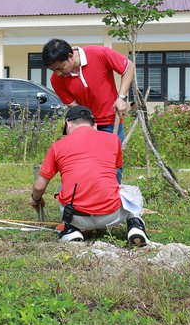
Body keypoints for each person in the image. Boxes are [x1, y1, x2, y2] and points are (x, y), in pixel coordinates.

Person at [29, 105, 150, 246]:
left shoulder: (57, 146)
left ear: (68, 124)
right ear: (95, 125)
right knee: (132, 191)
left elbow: (39, 186)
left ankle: (71, 230)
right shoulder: (113, 140)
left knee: (63, 188)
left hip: (76, 216)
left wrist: (35, 199)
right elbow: (115, 173)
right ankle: (135, 224)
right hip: (111, 215)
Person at [42, 38, 135, 183]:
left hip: (110, 121)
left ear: (71, 56)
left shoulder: (99, 54)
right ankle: (89, 200)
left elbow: (128, 67)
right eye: (53, 70)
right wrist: (89, 124)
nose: (58, 73)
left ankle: (112, 199)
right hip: (86, 126)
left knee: (112, 165)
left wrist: (121, 97)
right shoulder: (56, 80)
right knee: (86, 164)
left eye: (61, 68)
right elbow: (74, 106)